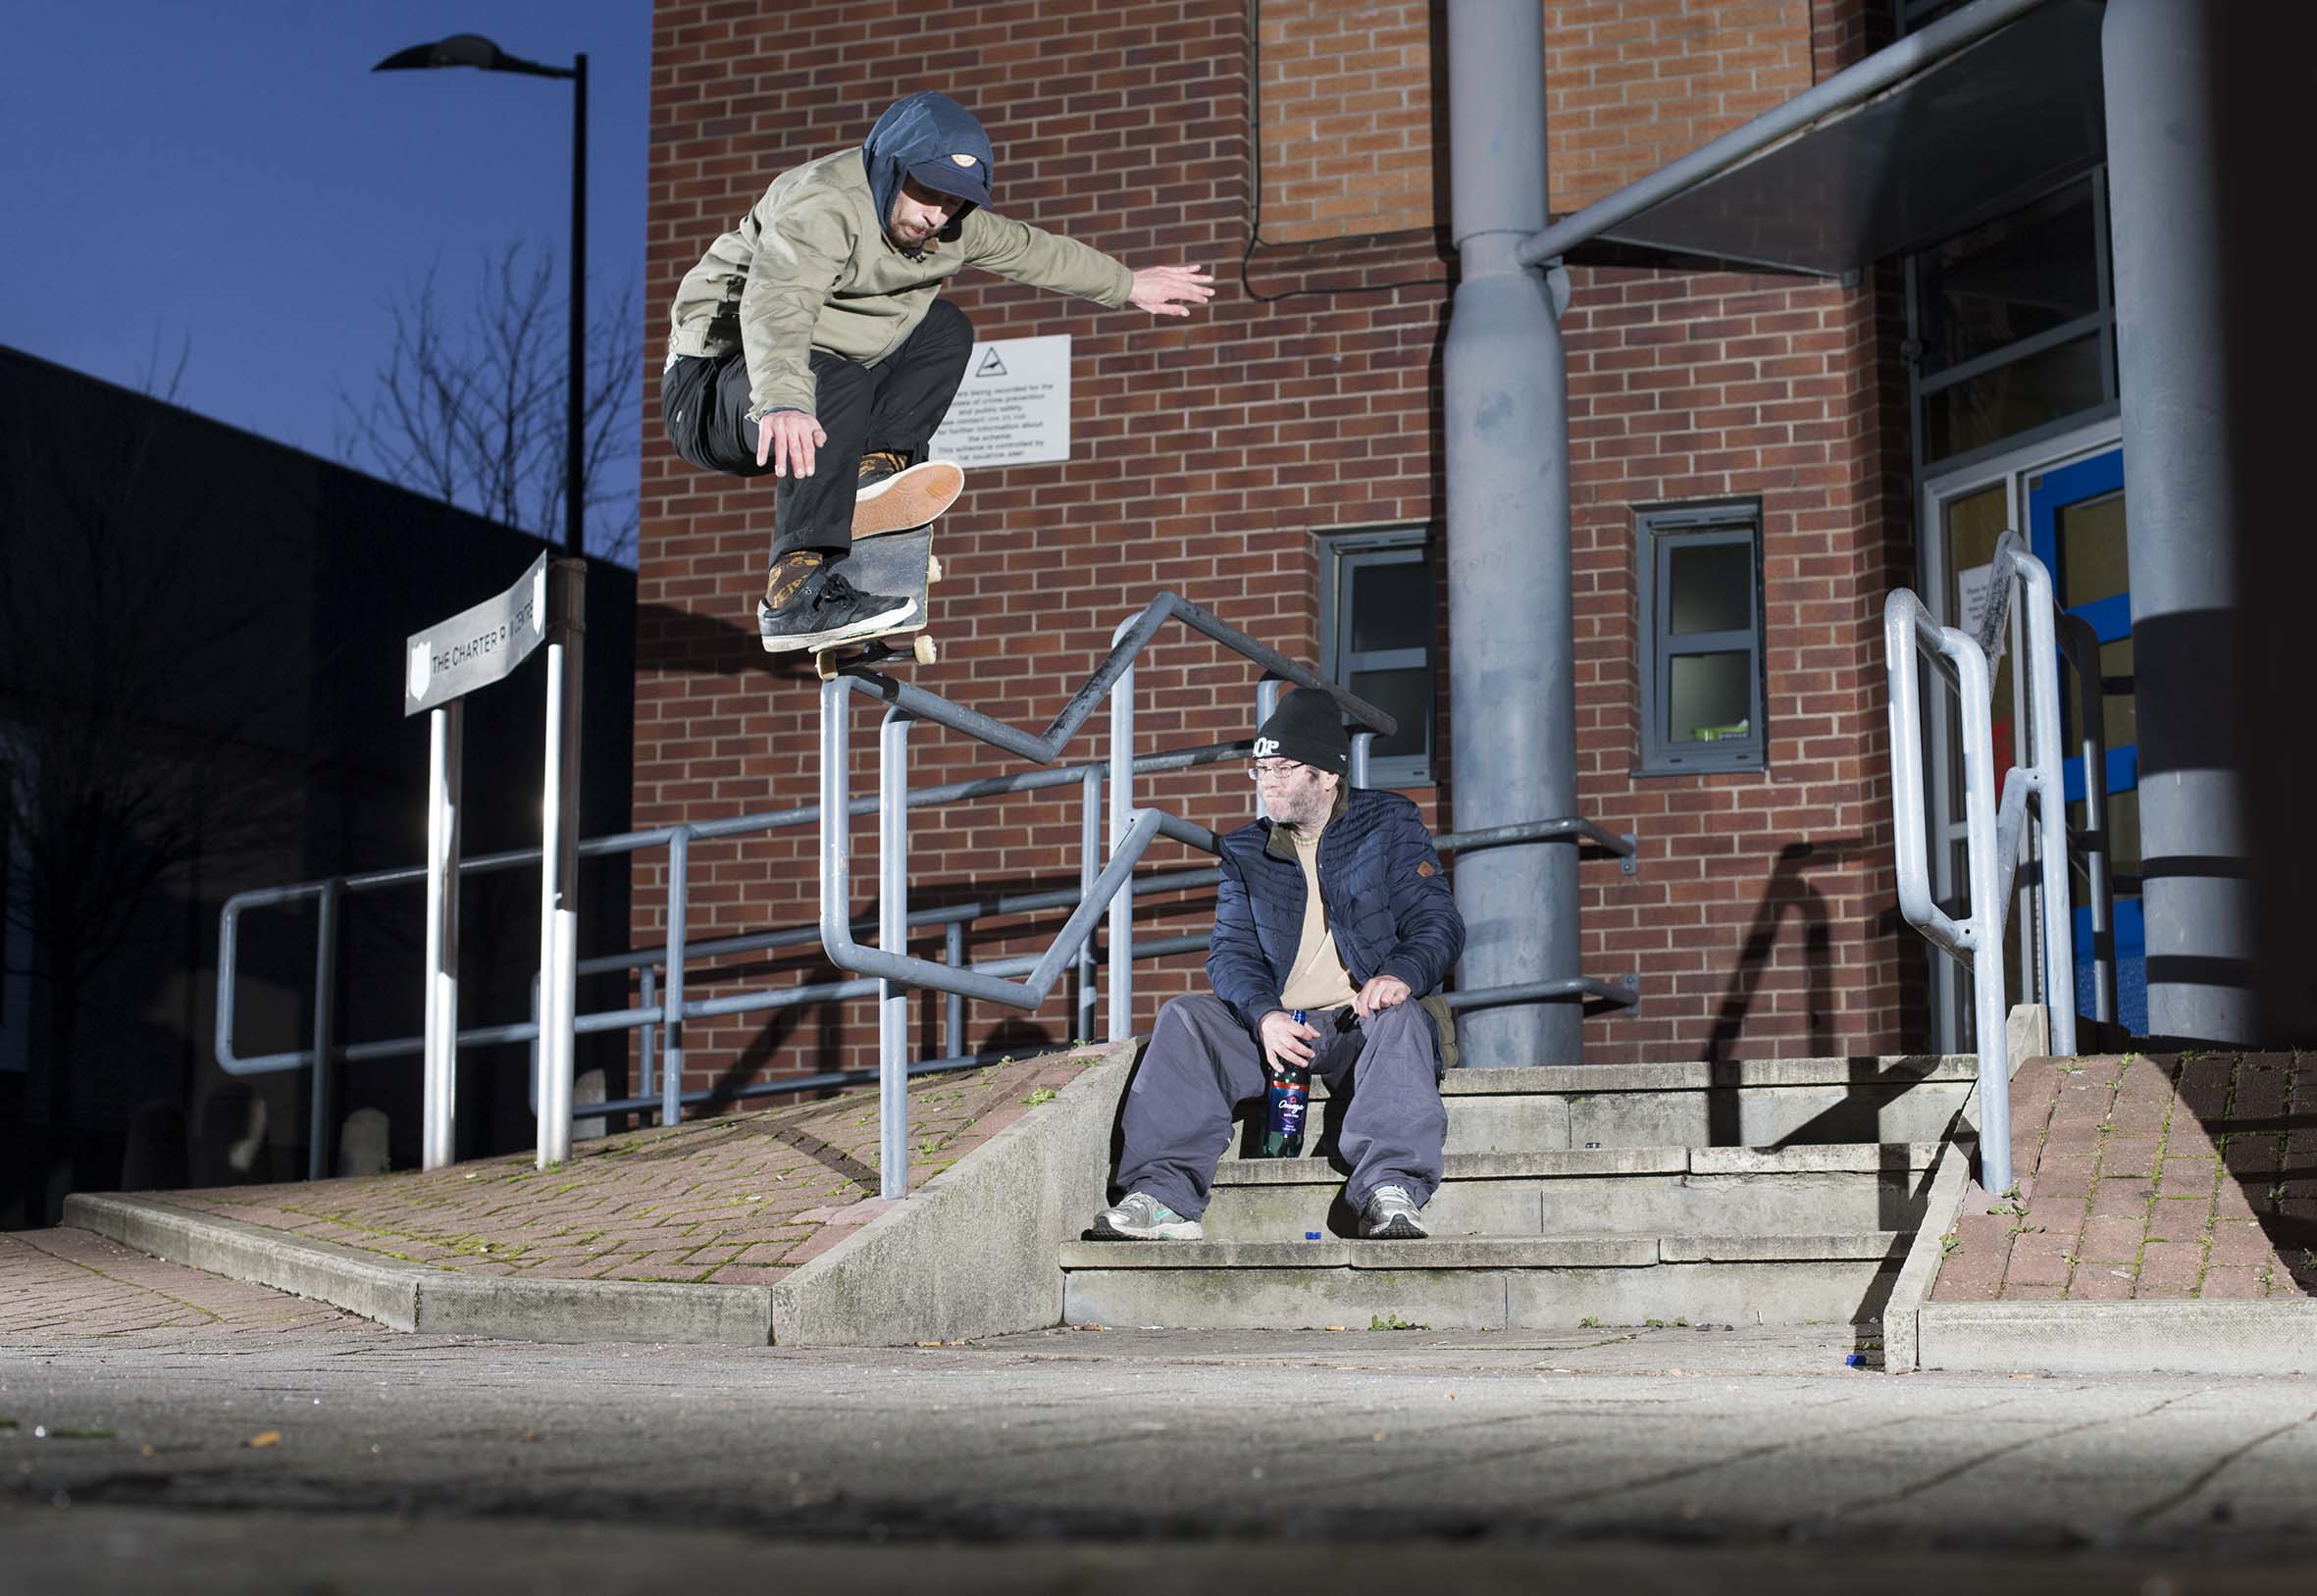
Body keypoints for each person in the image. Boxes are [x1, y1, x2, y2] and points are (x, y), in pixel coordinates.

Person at [661, 90, 1215, 652]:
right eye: (925, 193)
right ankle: (793, 593)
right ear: (887, 166)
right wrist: (783, 396)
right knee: (832, 379)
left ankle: (874, 475)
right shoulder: (823, 203)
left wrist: (1128, 284)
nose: (936, 216)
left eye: (953, 204)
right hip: (716, 387)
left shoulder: (952, 225)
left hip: (820, 383)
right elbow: (778, 300)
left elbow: (1035, 251)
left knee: (944, 329)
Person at [1093, 688, 1465, 1242]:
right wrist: (1264, 1016)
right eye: (1261, 767)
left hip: (1361, 1022)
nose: (1268, 780)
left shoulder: (1388, 823)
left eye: (1284, 768)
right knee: (1185, 1017)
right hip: (1281, 1032)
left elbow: (1438, 922)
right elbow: (1231, 952)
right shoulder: (1246, 851)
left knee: (1401, 1016)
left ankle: (1390, 1193)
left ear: (1327, 775)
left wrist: (1399, 976)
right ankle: (1163, 1199)